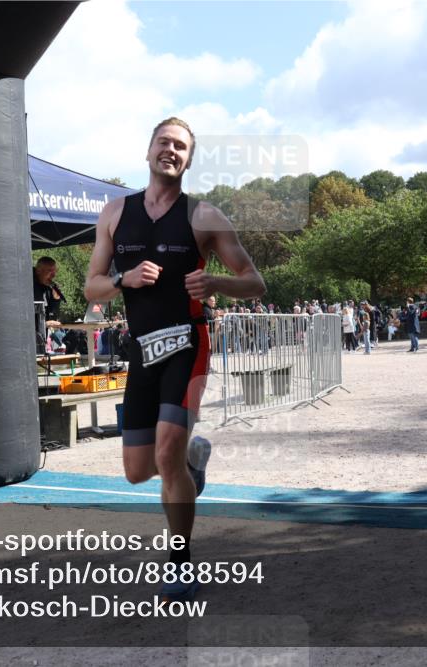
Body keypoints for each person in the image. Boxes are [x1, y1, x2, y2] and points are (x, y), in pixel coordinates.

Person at [83, 117, 265, 604]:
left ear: (188, 160)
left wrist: (216, 282)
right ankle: (191, 463)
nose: (171, 150)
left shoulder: (204, 216)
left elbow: (254, 281)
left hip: (188, 343)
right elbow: (92, 286)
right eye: (164, 142)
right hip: (143, 350)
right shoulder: (114, 213)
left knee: (164, 454)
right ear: (148, 152)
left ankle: (181, 565)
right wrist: (122, 280)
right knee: (137, 471)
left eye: (181, 147)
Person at [33, 256, 66, 352]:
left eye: (55, 271)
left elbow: (53, 317)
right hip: (28, 340)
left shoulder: (48, 287)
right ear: (38, 270)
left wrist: (56, 299)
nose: (54, 275)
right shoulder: (28, 285)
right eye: (50, 271)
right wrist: (44, 323)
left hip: (41, 340)